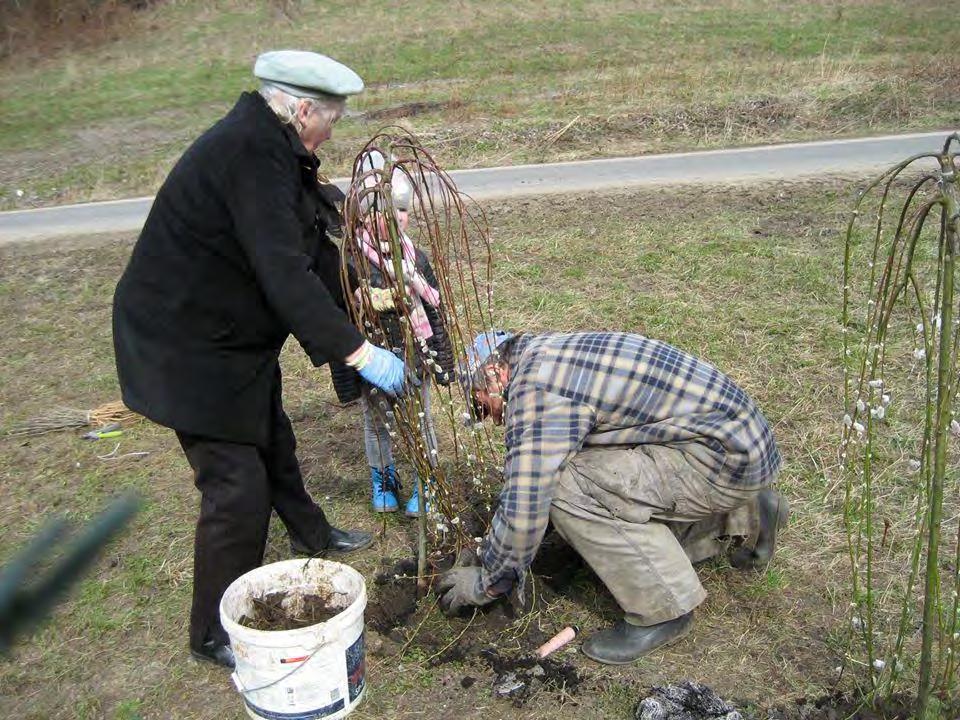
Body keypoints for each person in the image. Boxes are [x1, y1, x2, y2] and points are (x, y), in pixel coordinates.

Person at [112, 50, 409, 669]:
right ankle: (214, 632)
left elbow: (308, 249)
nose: (335, 128)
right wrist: (358, 352)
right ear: (302, 110)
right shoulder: (249, 155)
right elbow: (284, 275)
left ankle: (313, 535)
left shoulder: (273, 149)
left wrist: (361, 299)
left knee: (271, 437)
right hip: (183, 345)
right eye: (332, 116)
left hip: (228, 338)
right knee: (236, 488)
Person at [436, 331, 788, 664]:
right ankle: (750, 513)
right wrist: (491, 543)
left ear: (497, 372)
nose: (488, 417)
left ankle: (664, 609)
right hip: (740, 441)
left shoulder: (537, 394)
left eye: (480, 402)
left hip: (722, 464)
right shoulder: (549, 352)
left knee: (564, 489)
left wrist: (487, 582)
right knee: (577, 467)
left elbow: (529, 500)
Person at [334, 152, 455, 515]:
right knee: (376, 423)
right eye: (385, 212)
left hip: (415, 354)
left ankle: (427, 480)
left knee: (421, 420)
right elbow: (339, 323)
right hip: (372, 359)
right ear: (363, 216)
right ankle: (384, 479)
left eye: (402, 211)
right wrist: (345, 379)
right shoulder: (351, 263)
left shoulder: (415, 259)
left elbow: (435, 310)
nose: (396, 218)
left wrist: (443, 360)